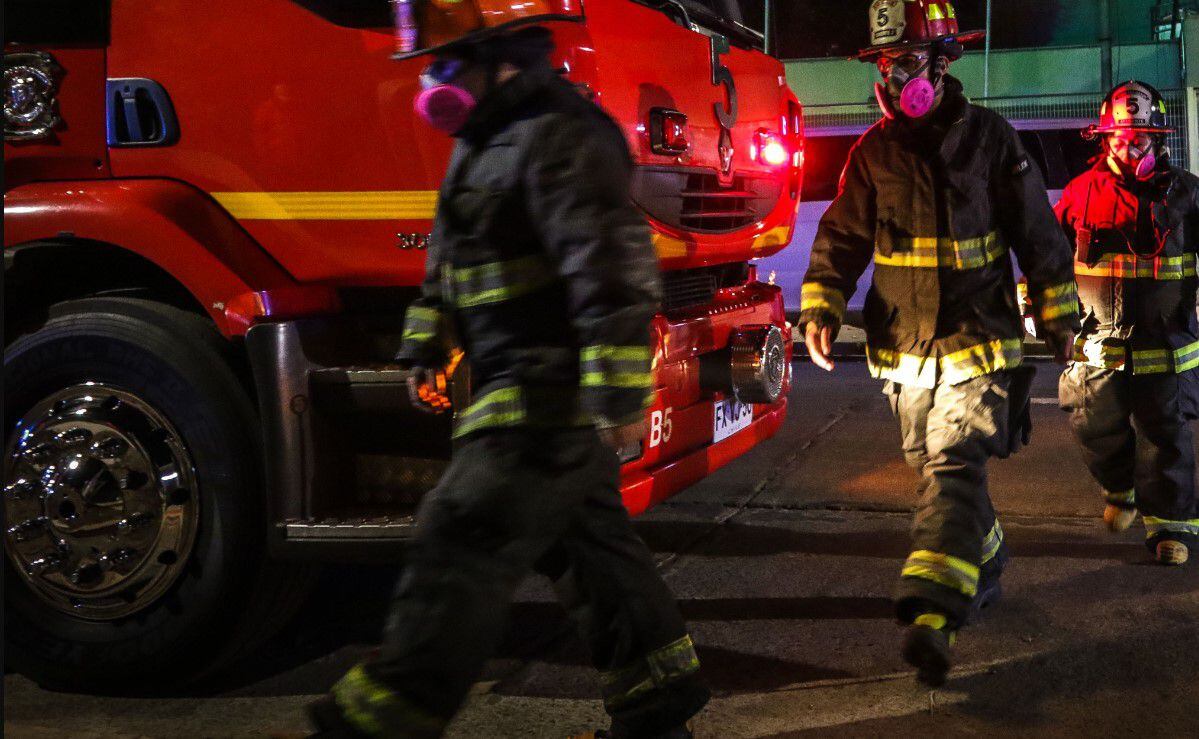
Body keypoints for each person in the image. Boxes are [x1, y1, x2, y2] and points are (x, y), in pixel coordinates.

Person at [308, 2, 708, 736]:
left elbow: (611, 270)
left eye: (446, 63)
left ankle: (377, 720)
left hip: (542, 393)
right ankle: (659, 700)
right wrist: (428, 342)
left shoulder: (560, 135)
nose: (431, 81)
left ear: (500, 55)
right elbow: (452, 253)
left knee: (459, 537)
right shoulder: (484, 138)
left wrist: (619, 392)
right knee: (590, 552)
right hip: (508, 379)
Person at [797, 0, 1079, 687]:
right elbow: (840, 236)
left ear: (942, 64)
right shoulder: (874, 151)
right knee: (935, 474)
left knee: (951, 469)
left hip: (977, 346)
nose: (895, 78)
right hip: (904, 352)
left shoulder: (990, 139)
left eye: (908, 62)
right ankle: (983, 558)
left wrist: (1059, 317)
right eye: (886, 65)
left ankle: (932, 610)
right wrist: (821, 306)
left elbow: (1038, 237)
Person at [1056, 80, 1199, 567]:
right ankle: (1120, 490)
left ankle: (1170, 527)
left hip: (1166, 340)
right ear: (1104, 140)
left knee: (1165, 433)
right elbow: (1050, 255)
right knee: (1096, 426)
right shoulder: (1080, 193)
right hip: (1099, 344)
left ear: (1159, 140)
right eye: (1119, 138)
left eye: (1140, 137)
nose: (1129, 146)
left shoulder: (1187, 194)